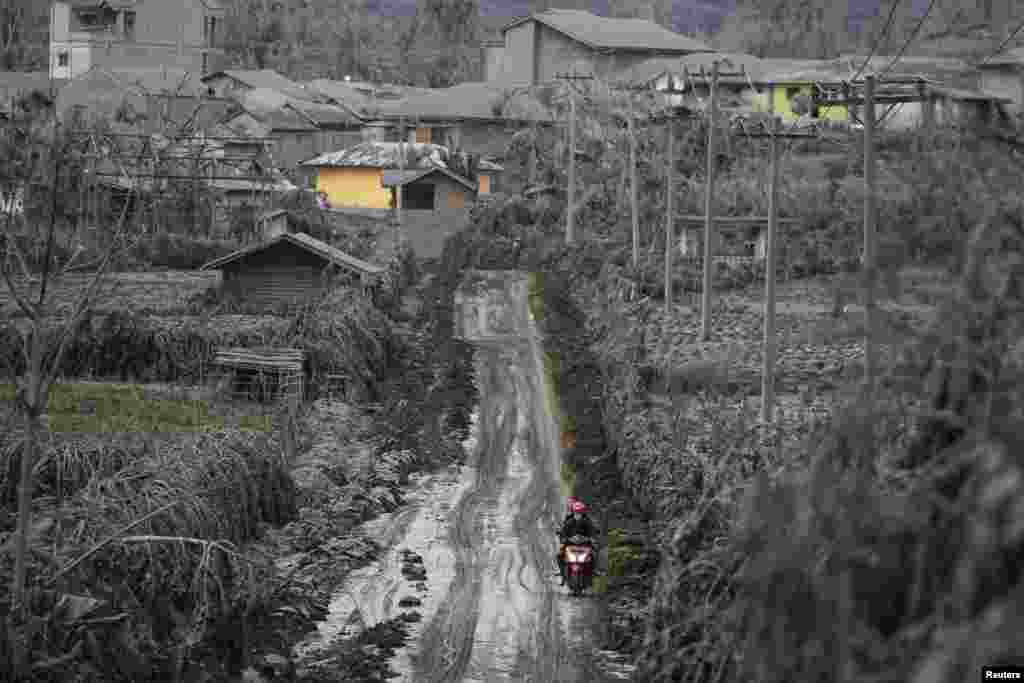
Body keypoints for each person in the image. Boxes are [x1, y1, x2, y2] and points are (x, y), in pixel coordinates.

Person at [556, 499, 597, 585]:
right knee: (559, 555)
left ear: (583, 512)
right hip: (569, 544)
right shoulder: (568, 521)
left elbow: (592, 531)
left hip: (585, 545)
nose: (578, 514)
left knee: (593, 555)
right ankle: (563, 575)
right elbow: (563, 532)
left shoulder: (588, 521)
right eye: (576, 512)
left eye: (580, 512)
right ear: (573, 512)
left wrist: (592, 538)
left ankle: (592, 574)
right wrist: (563, 538)